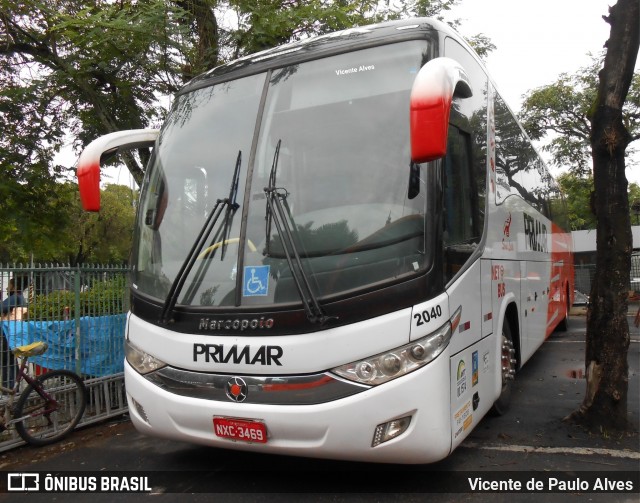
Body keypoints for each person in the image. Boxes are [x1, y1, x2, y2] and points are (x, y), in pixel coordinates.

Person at [1, 278, 25, 389]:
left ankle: (8, 388)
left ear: (14, 287)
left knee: (6, 361)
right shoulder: (21, 298)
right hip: (14, 332)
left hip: (7, 333)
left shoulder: (14, 297)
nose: (6, 288)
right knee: (10, 360)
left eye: (9, 285)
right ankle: (14, 387)